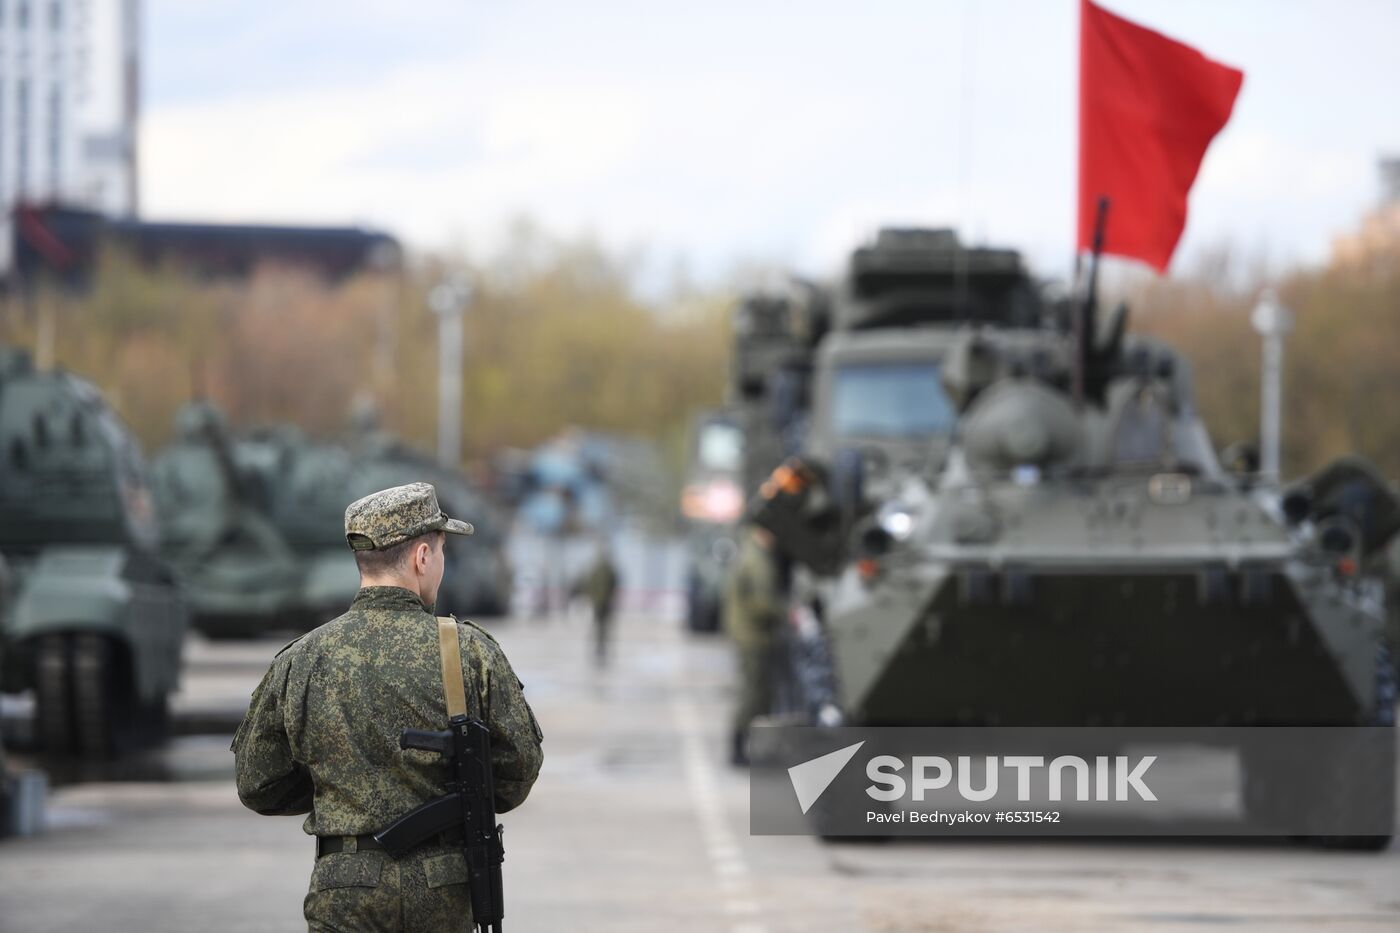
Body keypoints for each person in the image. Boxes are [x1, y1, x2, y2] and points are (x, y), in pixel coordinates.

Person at [232, 482, 543, 932]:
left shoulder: (301, 659)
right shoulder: (468, 653)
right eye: (440, 551)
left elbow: (257, 781)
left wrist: (336, 786)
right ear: (420, 557)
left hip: (344, 886)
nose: (441, 564)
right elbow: (518, 770)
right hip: (443, 885)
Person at [722, 523, 788, 766]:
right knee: (752, 694)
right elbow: (763, 601)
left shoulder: (751, 554)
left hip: (749, 634)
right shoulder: (757, 559)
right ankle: (738, 749)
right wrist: (786, 611)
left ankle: (744, 746)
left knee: (756, 693)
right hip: (754, 636)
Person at [582, 541, 620, 666]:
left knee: (603, 628)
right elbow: (591, 585)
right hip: (599, 602)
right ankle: (598, 648)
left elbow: (614, 583)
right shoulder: (600, 570)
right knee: (599, 627)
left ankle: (602, 649)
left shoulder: (607, 570)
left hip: (604, 602)